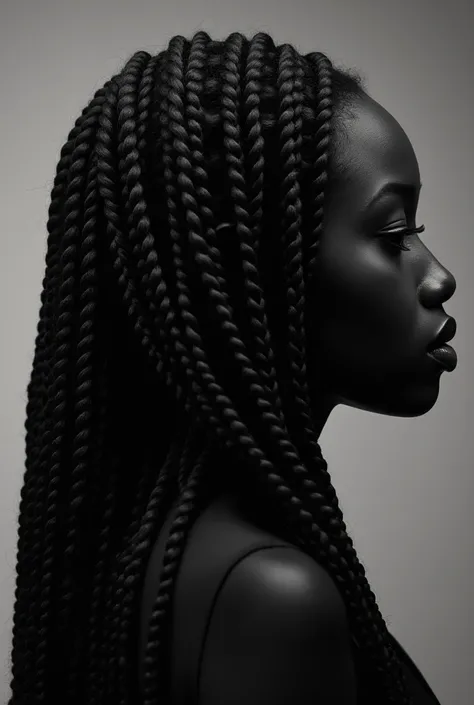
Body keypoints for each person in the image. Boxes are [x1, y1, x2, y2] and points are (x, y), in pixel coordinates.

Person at [8, 29, 456, 705]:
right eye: (394, 233)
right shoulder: (270, 597)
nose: (439, 277)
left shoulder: (144, 560)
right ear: (251, 267)